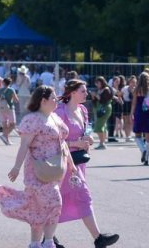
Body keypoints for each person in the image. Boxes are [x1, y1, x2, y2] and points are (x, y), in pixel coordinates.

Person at [0, 86, 73, 248]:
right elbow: (24, 145)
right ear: (43, 101)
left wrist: (71, 165)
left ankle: (40, 243)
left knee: (45, 206)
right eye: (53, 97)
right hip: (38, 170)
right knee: (50, 204)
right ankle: (44, 243)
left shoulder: (55, 118)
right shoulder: (33, 119)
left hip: (55, 169)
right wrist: (16, 167)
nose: (56, 100)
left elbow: (62, 143)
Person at [53, 80, 120, 248]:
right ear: (73, 93)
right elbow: (53, 142)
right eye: (83, 91)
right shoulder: (60, 112)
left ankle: (49, 238)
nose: (87, 94)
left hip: (79, 162)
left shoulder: (82, 110)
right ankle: (97, 238)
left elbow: (86, 129)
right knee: (68, 198)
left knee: (70, 198)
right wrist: (77, 143)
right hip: (64, 163)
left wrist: (88, 138)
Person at [91, 77, 112, 150]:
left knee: (99, 126)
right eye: (96, 83)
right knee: (103, 125)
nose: (97, 85)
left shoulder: (106, 89)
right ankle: (102, 143)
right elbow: (95, 101)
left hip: (104, 109)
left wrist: (96, 95)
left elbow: (103, 100)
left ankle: (102, 143)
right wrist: (93, 96)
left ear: (102, 82)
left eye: (98, 83)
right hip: (99, 108)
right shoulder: (99, 90)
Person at [0, 77, 19, 145]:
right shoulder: (11, 90)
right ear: (10, 83)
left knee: (5, 125)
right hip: (10, 108)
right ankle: (4, 136)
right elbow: (16, 100)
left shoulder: (0, 90)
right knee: (13, 124)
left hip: (1, 108)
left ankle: (7, 140)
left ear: (3, 82)